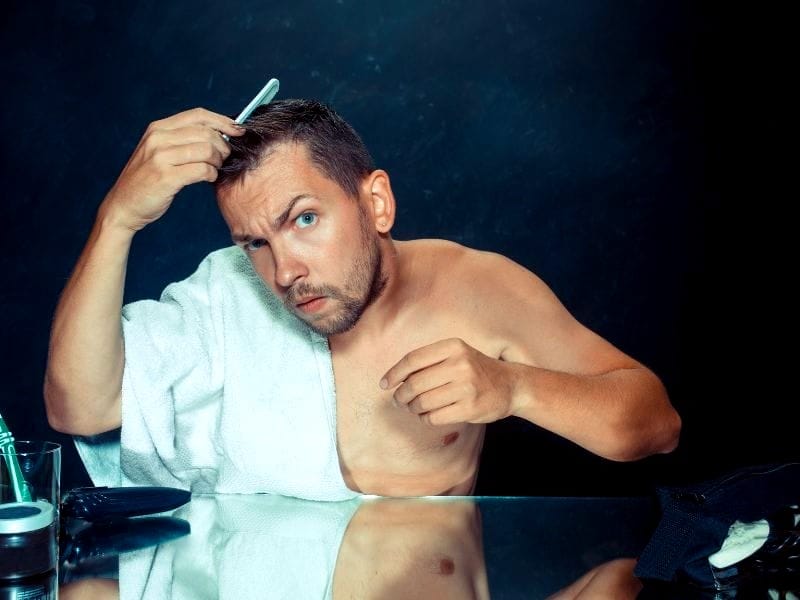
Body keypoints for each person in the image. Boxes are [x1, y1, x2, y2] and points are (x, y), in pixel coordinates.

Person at [44, 100, 681, 498]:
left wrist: (516, 388)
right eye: (255, 244)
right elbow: (80, 406)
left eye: (304, 220)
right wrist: (117, 219)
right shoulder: (228, 295)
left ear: (374, 203)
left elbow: (656, 426)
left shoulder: (478, 288)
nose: (285, 270)